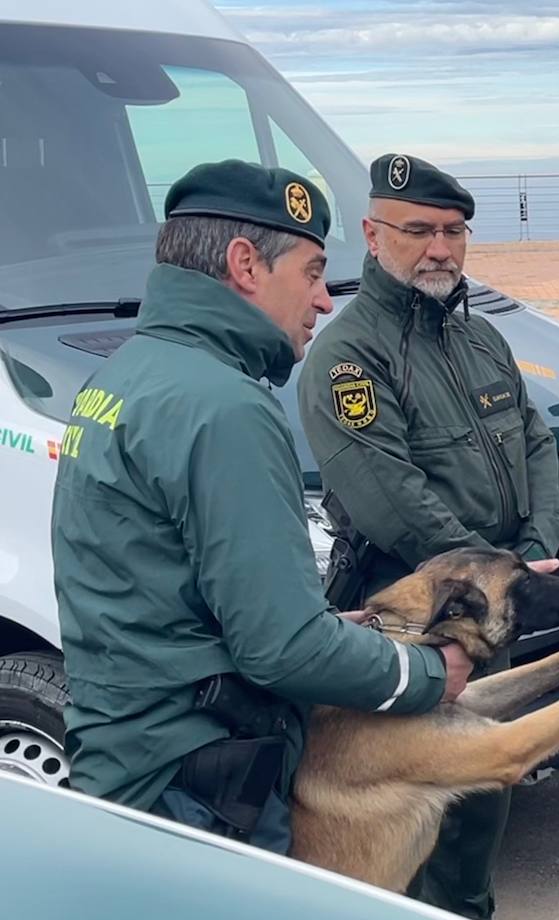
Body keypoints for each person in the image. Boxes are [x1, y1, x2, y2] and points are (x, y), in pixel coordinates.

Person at [51, 159, 470, 854]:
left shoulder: (124, 374)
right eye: (311, 272)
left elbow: (159, 591)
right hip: (199, 788)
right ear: (246, 264)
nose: (324, 300)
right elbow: (282, 649)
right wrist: (428, 674)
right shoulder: (224, 407)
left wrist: (320, 626)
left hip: (130, 761)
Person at [297, 153, 559, 920]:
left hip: (491, 611)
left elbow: (536, 440)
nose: (440, 248)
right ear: (372, 235)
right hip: (408, 624)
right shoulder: (350, 355)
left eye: (453, 231)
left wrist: (531, 552)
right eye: (417, 230)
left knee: (479, 817)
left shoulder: (479, 338)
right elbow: (393, 501)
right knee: (404, 829)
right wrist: (502, 576)